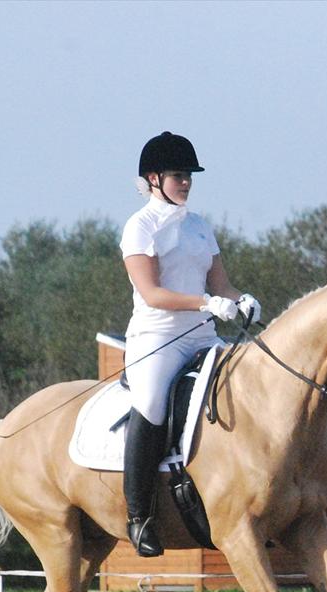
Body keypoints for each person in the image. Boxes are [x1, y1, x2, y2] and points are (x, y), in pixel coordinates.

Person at [119, 131, 260, 557]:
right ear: (154, 178)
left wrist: (242, 300)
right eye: (179, 176)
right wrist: (208, 302)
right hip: (157, 338)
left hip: (203, 336)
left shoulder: (200, 227)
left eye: (189, 177)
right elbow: (152, 294)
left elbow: (223, 285)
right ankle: (139, 515)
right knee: (153, 405)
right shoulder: (139, 227)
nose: (186, 183)